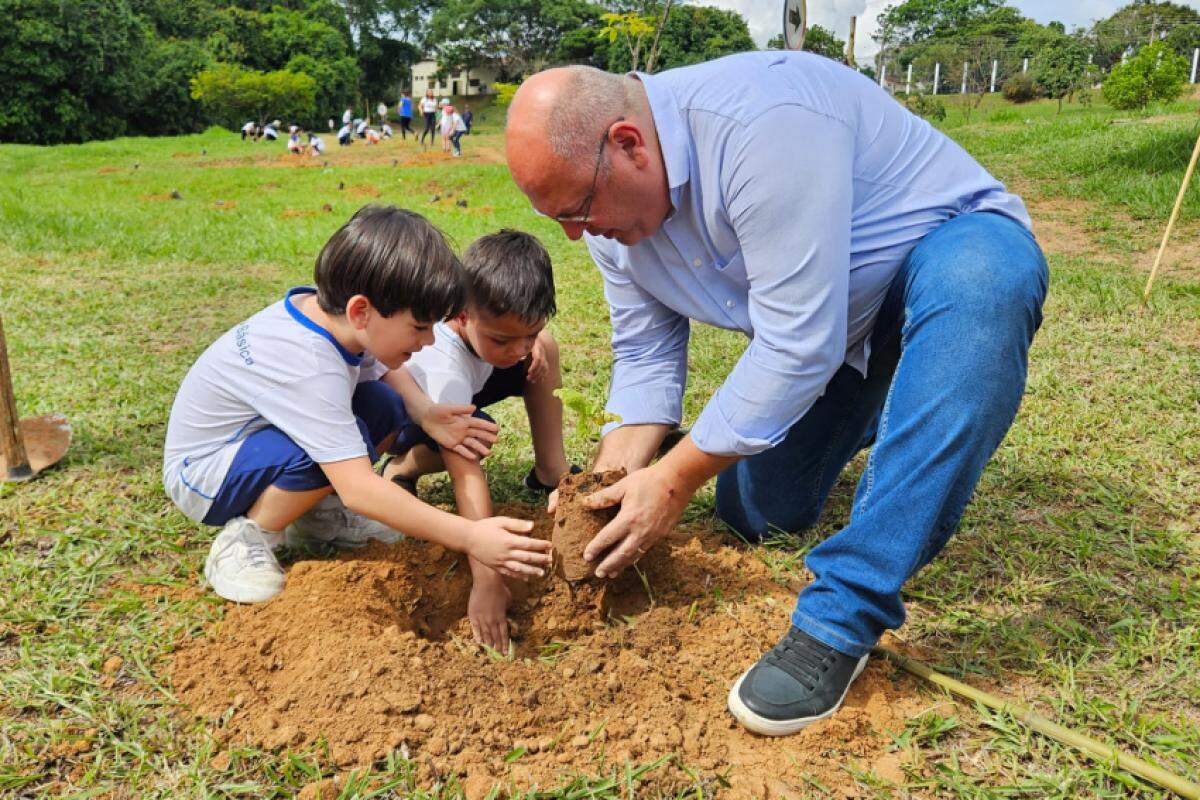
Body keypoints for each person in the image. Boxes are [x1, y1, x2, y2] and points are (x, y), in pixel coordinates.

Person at [504, 57, 1048, 735]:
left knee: (983, 284)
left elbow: (796, 344)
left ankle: (843, 615)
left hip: (945, 259)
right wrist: (609, 482)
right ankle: (900, 403)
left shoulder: (763, 124)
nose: (576, 235)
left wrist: (673, 480)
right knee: (757, 510)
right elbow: (645, 355)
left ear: (628, 143)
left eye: (580, 210)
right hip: (839, 341)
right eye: (560, 219)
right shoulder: (613, 226)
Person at [162, 205, 552, 605]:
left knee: (385, 404)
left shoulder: (335, 319)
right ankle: (248, 537)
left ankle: (315, 517)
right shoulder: (309, 366)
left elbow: (382, 370)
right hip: (206, 474)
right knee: (320, 452)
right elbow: (360, 489)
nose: (429, 342)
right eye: (419, 328)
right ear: (361, 311)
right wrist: (471, 536)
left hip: (255, 444)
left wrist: (424, 412)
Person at [382, 230, 574, 652]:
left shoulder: (510, 339)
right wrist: (487, 577)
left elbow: (521, 338)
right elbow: (466, 474)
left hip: (467, 388)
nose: (517, 349)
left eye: (529, 331)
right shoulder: (444, 367)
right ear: (462, 314)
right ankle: (402, 466)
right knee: (471, 436)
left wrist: (532, 343)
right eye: (503, 339)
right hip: (413, 416)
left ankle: (550, 470)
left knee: (547, 351)